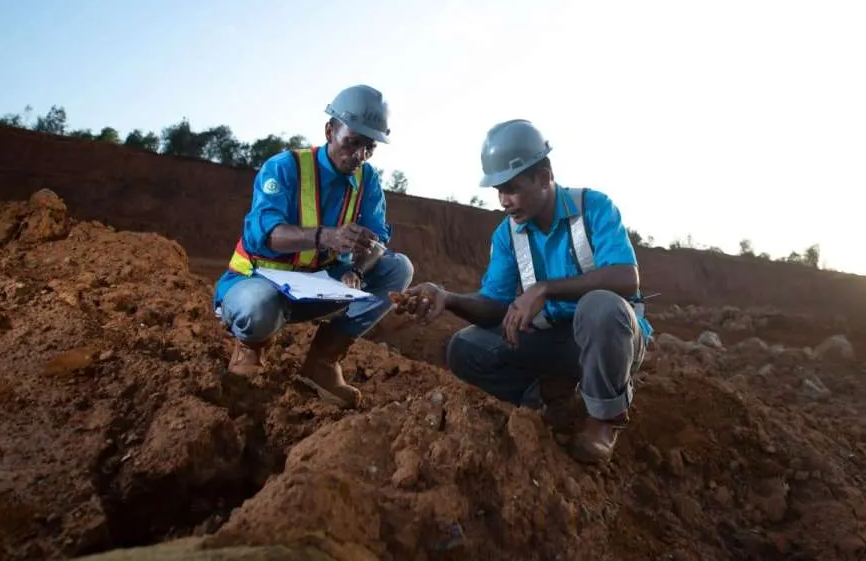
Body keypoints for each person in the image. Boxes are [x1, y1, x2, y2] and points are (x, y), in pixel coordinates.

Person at [398, 119, 651, 464]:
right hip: (557, 343)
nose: (504, 201)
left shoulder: (593, 207)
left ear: (544, 176)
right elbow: (493, 304)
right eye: (498, 191)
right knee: (465, 348)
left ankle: (604, 419)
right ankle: (549, 396)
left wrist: (546, 289)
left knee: (600, 307)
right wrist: (449, 298)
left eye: (512, 189)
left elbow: (626, 277)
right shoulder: (508, 234)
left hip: (610, 338)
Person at [213, 84, 413, 409]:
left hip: (317, 287)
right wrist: (324, 236)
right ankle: (249, 351)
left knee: (398, 267)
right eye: (352, 142)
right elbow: (264, 235)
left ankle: (322, 364)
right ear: (330, 130)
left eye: (369, 147)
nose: (359, 155)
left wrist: (357, 270)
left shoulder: (368, 180)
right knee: (256, 304)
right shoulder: (284, 168)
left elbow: (376, 242)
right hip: (260, 283)